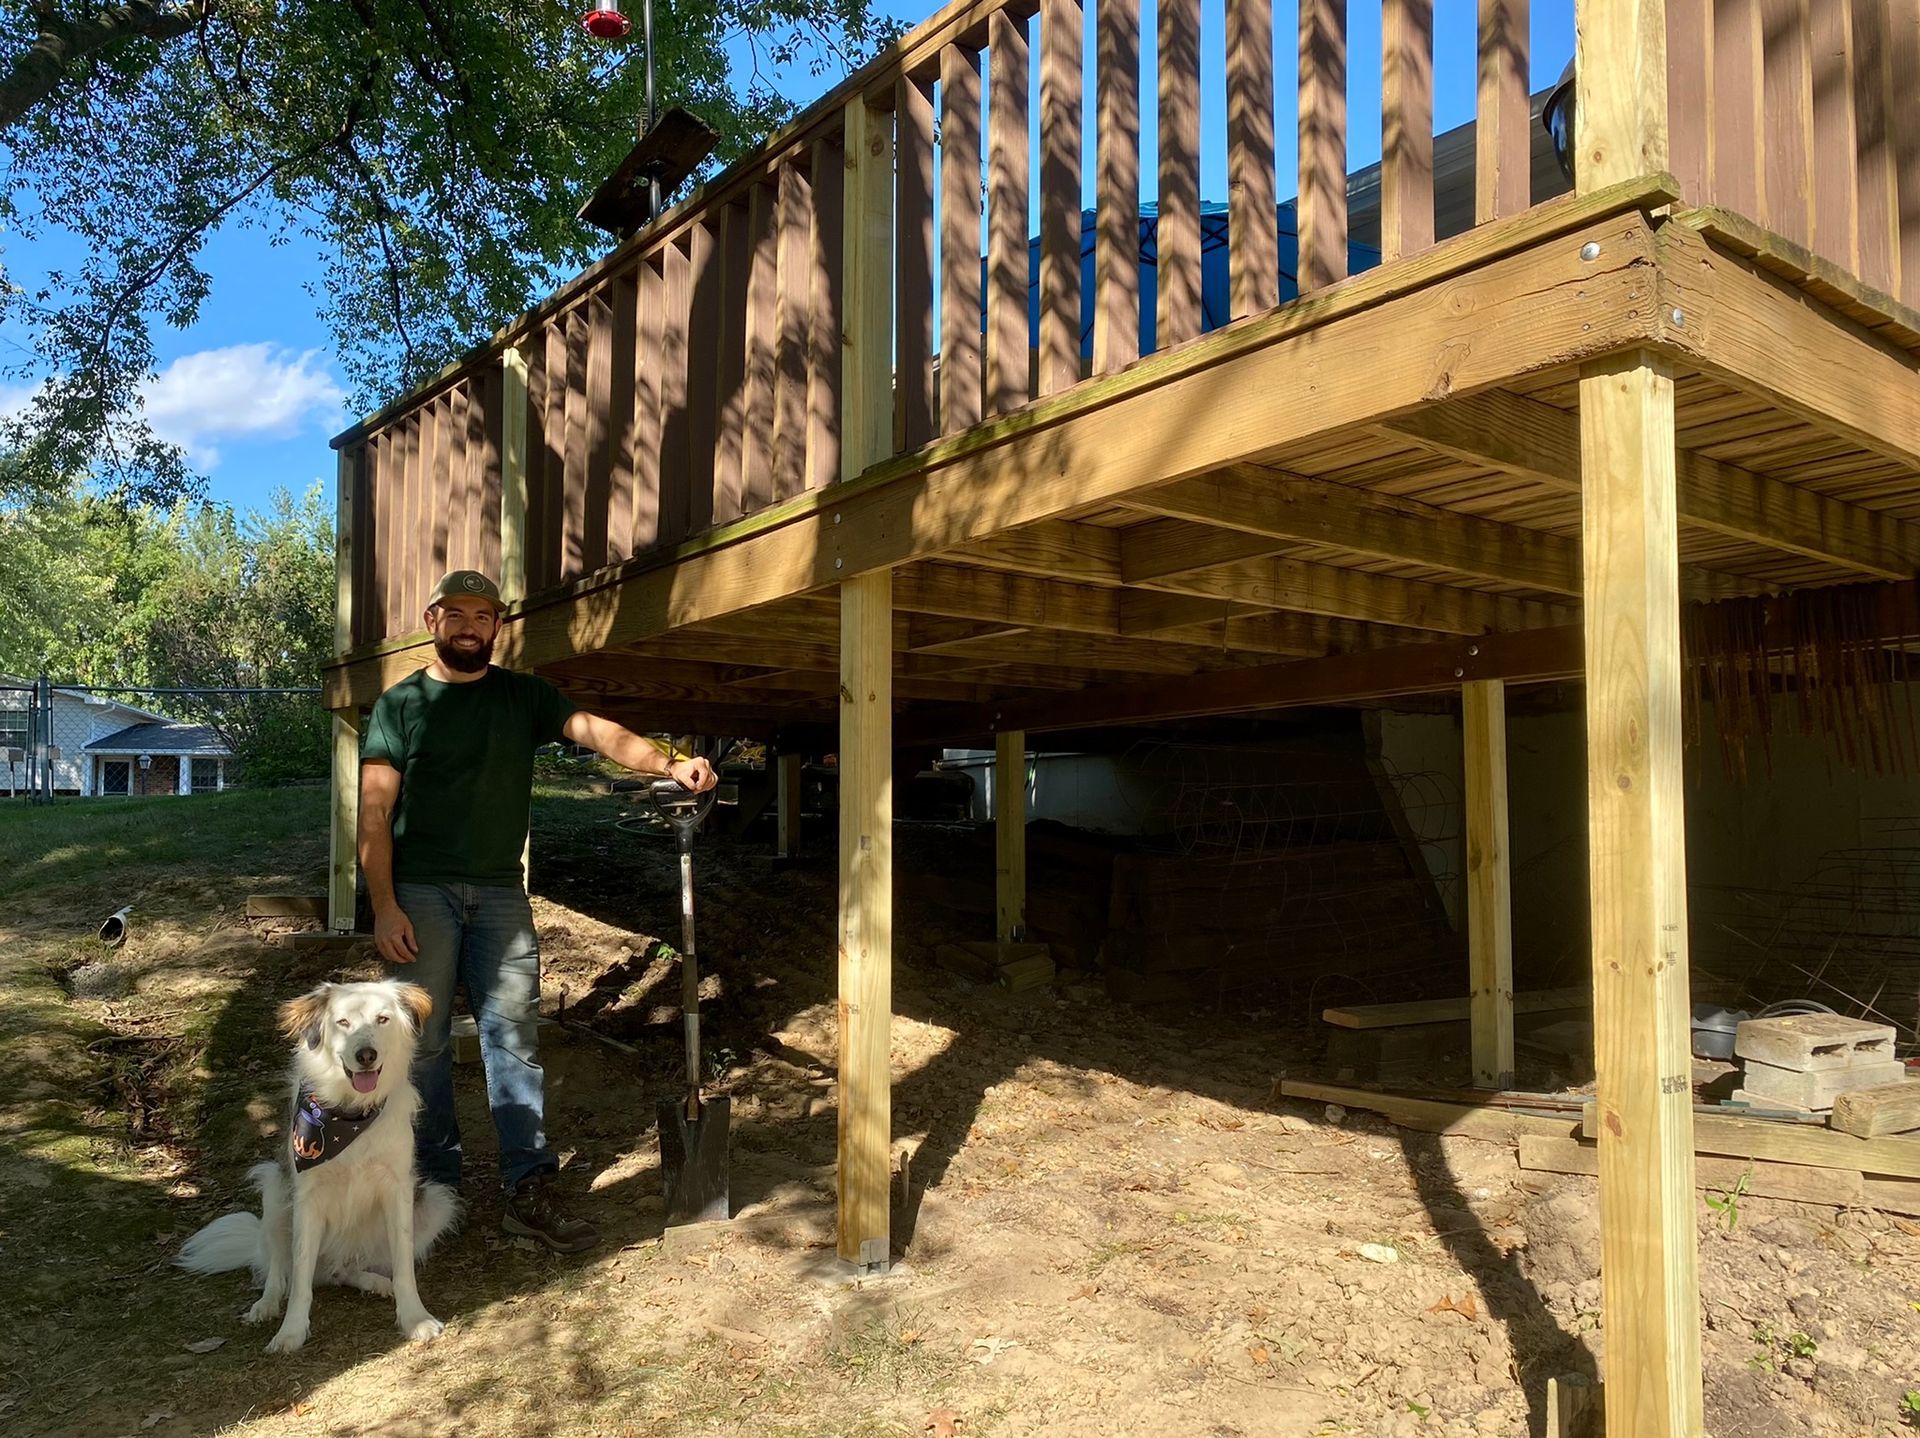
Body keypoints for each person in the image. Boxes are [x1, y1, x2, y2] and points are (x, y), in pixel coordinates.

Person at [359, 569, 716, 1252]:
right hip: (421, 894)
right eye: (457, 614)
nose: (470, 627)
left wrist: (669, 762)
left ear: (498, 626)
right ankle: (436, 1188)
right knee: (423, 1045)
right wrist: (382, 905)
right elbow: (374, 812)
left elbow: (598, 732)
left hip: (498, 894)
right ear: (433, 621)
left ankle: (529, 1187)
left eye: (483, 616)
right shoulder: (399, 706)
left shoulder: (522, 697)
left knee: (514, 1039)